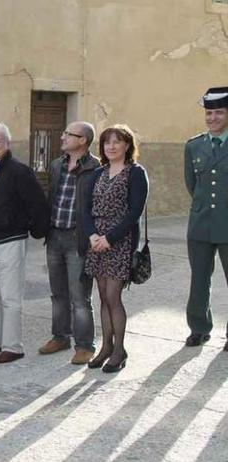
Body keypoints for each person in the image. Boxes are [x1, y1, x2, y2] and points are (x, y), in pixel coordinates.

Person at [0, 123, 49, 364]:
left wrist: (32, 230)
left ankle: (13, 346)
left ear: (7, 144)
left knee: (10, 297)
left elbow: (37, 204)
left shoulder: (19, 171)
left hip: (9, 241)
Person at [83, 125, 149, 373]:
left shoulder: (135, 173)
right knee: (101, 295)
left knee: (113, 296)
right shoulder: (98, 173)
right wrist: (92, 235)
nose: (111, 146)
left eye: (117, 141)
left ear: (127, 145)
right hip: (96, 242)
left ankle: (119, 349)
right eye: (107, 142)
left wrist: (110, 238)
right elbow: (86, 208)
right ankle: (106, 347)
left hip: (119, 241)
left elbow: (134, 212)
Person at [37, 122, 100, 365]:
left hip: (78, 239)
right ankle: (60, 336)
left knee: (80, 296)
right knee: (58, 293)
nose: (62, 137)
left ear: (83, 140)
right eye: (63, 132)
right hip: (54, 236)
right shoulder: (56, 165)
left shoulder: (95, 168)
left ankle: (84, 345)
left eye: (68, 134)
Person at [184, 87, 228, 350]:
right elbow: (192, 184)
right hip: (200, 224)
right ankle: (199, 328)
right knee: (199, 279)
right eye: (209, 113)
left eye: (219, 112)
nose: (212, 118)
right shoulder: (194, 145)